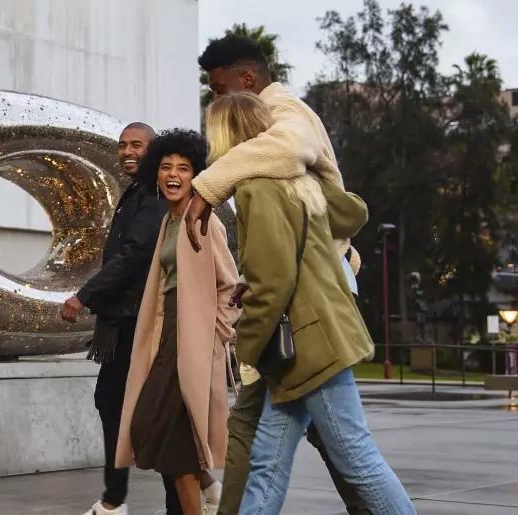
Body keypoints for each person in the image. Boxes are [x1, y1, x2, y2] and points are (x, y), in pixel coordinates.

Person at [188, 36, 371, 515]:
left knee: (344, 449)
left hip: (312, 292)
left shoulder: (284, 110)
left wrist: (206, 188)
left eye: (219, 88)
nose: (215, 98)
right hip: (308, 285)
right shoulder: (269, 125)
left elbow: (290, 151)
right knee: (266, 434)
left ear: (247, 78)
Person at [209, 93, 413, 514]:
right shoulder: (298, 180)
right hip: (313, 340)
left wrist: (246, 348)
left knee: (357, 459)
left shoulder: (256, 188)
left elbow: (275, 281)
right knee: (266, 465)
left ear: (225, 135)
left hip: (310, 348)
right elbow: (348, 215)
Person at [62, 122, 188, 515]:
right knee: (116, 404)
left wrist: (84, 296)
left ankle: (134, 500)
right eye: (122, 145)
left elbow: (135, 253)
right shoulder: (136, 192)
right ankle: (116, 498)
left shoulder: (154, 194)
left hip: (140, 322)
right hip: (123, 320)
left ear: (154, 151)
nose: (127, 151)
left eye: (137, 145)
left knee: (150, 412)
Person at [114, 129, 240, 515]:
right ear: (155, 173)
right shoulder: (170, 222)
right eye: (166, 167)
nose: (173, 174)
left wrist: (215, 336)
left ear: (196, 176)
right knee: (149, 426)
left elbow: (231, 286)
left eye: (183, 168)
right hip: (166, 335)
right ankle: (207, 493)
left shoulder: (204, 221)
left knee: (173, 437)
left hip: (193, 338)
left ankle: (202, 500)